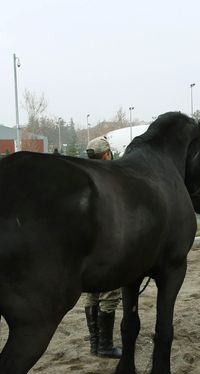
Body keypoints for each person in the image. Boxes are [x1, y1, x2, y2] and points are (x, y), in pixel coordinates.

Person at [82, 137, 122, 358]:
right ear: (106, 154)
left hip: (89, 246)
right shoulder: (110, 179)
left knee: (92, 294)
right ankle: (105, 345)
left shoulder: (86, 178)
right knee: (109, 293)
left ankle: (95, 344)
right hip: (107, 245)